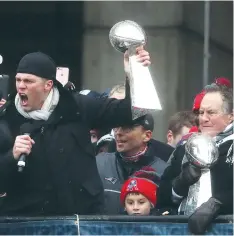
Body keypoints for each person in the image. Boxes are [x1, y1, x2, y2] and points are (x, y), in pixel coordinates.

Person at [0, 47, 151, 216]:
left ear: (48, 85)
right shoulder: (6, 118)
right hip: (28, 223)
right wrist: (11, 157)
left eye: (28, 81)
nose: (21, 86)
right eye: (18, 80)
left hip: (79, 218)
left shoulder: (76, 106)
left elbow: (129, 112)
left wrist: (134, 72)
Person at [157, 84, 233, 234]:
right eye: (201, 112)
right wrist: (179, 184)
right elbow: (161, 198)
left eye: (211, 112)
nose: (203, 119)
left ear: (231, 115)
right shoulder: (183, 149)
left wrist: (219, 202)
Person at [96, 113, 173, 214]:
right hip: (103, 229)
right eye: (116, 127)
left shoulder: (164, 171)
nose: (118, 133)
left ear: (147, 135)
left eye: (126, 128)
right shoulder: (98, 163)